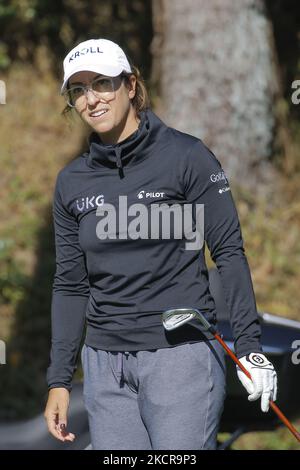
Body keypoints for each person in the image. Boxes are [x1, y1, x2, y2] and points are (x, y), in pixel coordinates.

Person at [44, 38, 277, 450]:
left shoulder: (187, 157)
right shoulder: (72, 182)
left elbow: (228, 254)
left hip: (180, 357)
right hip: (104, 366)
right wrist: (59, 379)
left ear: (130, 85)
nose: (91, 99)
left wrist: (250, 348)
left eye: (101, 83)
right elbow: (70, 284)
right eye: (79, 90)